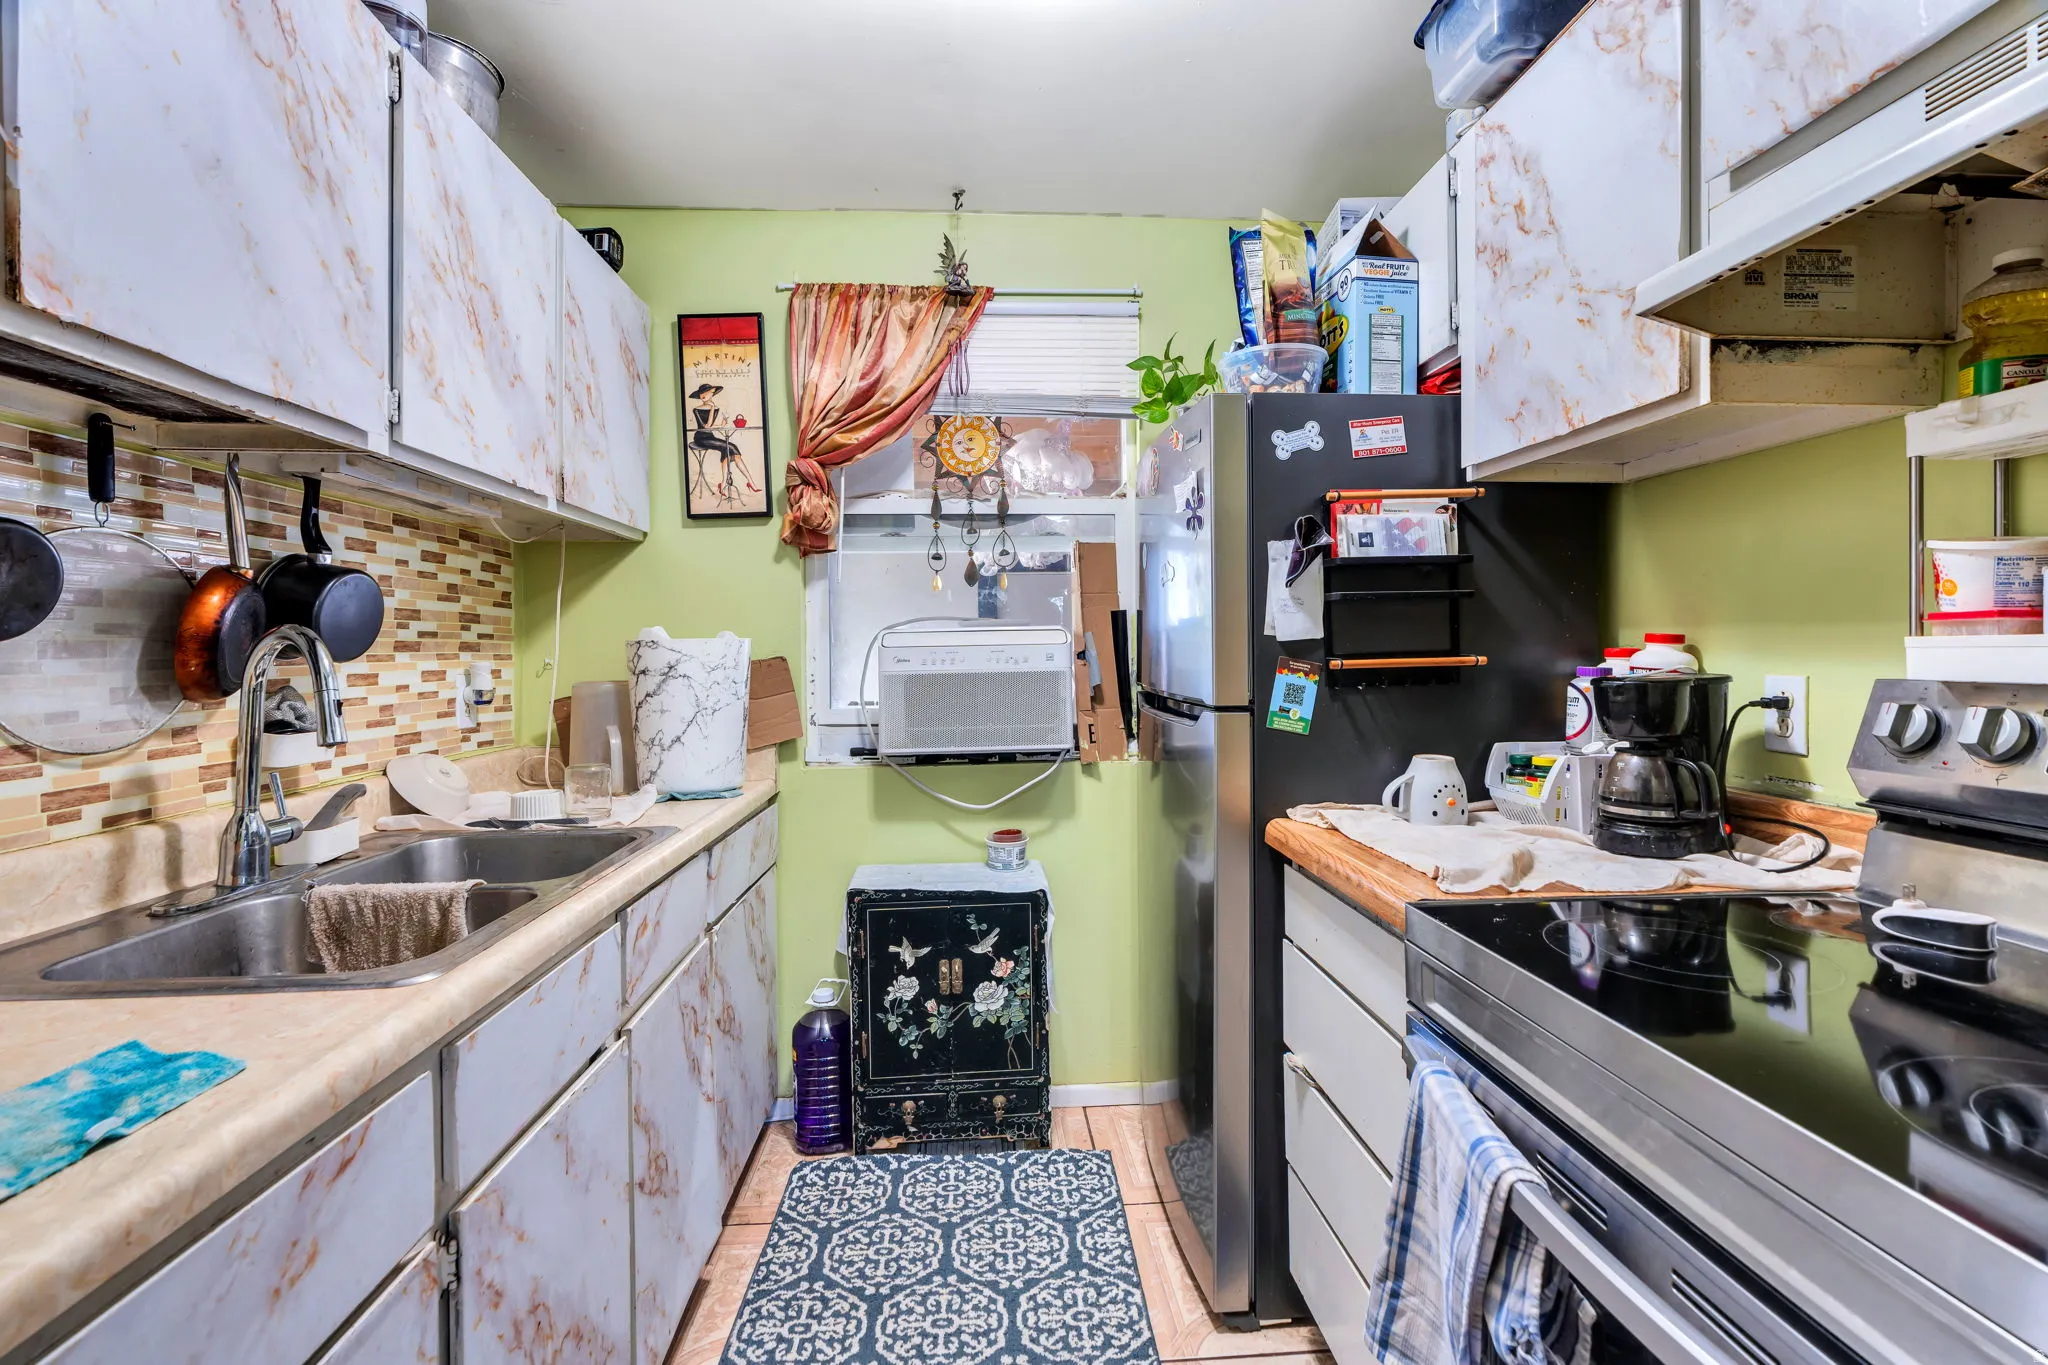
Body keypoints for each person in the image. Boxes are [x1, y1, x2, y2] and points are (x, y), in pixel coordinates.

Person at [688, 383, 759, 494]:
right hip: (701, 438)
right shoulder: (696, 409)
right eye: (701, 393)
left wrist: (721, 424)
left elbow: (711, 426)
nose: (703, 395)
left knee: (729, 449)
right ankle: (728, 483)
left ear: (712, 394)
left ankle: (743, 482)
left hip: (710, 436)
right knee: (730, 447)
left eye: (707, 392)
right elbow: (706, 426)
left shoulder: (716, 408)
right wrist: (712, 407)